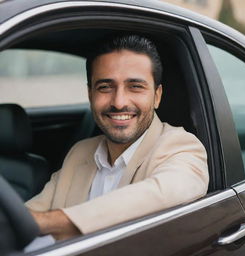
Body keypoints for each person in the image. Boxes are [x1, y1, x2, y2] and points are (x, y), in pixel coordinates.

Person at [26, 34, 209, 240]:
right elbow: (27, 216)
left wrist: (54, 223)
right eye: (105, 87)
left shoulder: (181, 146)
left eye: (135, 86)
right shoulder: (80, 152)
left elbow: (170, 190)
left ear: (157, 96)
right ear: (90, 95)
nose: (119, 102)